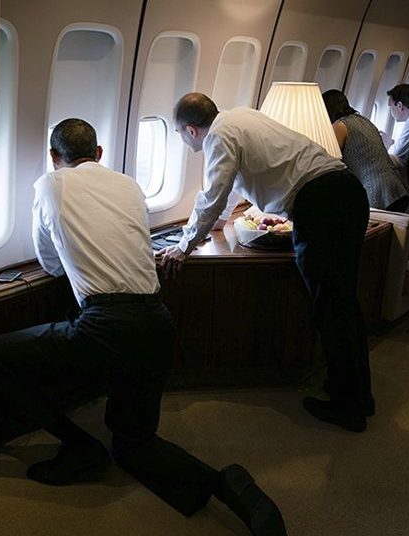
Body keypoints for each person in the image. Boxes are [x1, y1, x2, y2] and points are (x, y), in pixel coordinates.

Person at [0, 118, 287, 536]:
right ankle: (229, 484)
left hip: (106, 326)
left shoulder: (49, 185)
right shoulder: (130, 185)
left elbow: (50, 264)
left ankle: (79, 448)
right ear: (99, 154)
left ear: (54, 158)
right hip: (156, 322)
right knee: (135, 445)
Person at [158, 93, 374, 433]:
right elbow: (228, 190)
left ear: (190, 130)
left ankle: (347, 407)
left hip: (320, 206)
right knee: (343, 304)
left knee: (331, 308)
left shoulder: (218, 136)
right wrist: (216, 223)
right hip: (346, 193)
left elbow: (213, 193)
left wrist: (183, 247)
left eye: (180, 135)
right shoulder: (240, 116)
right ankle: (359, 395)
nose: (183, 142)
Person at [322, 89, 409, 213]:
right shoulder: (364, 120)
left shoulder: (339, 126)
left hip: (379, 194)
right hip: (397, 188)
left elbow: (330, 162)